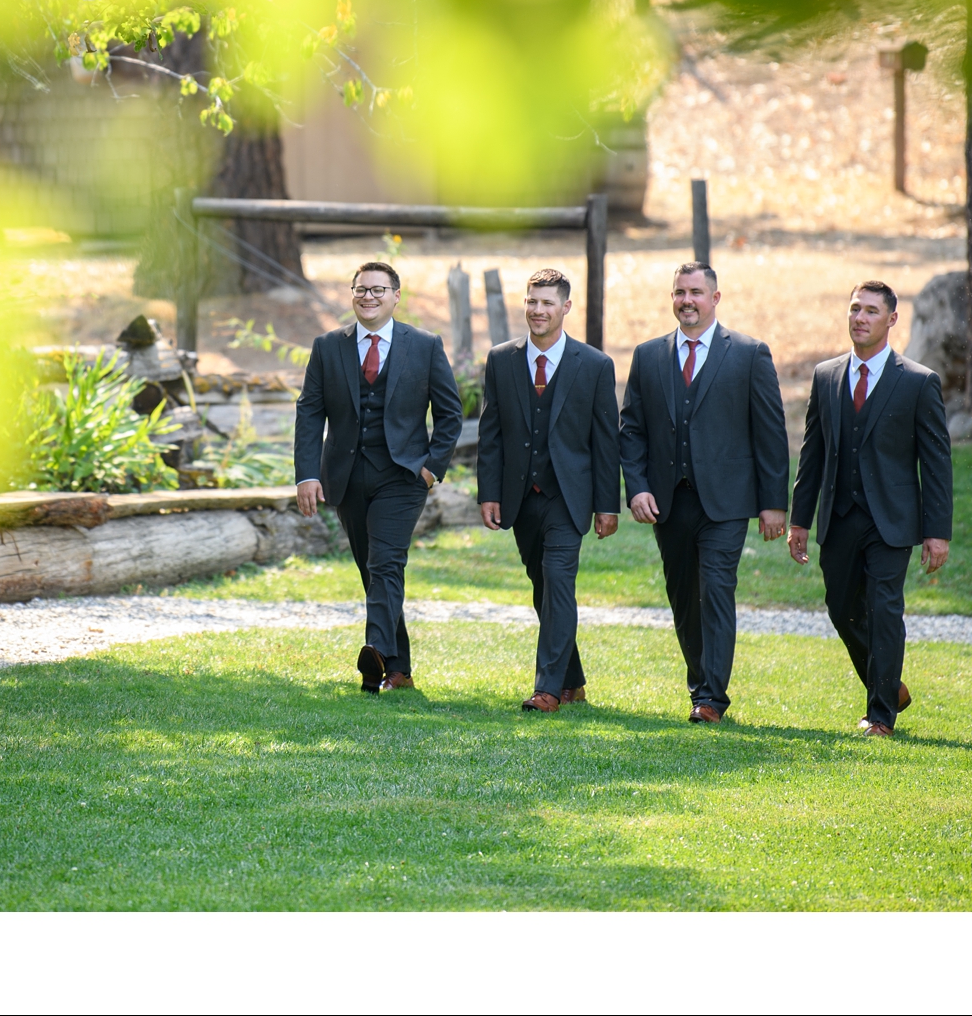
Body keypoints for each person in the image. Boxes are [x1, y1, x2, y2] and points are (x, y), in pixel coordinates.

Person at [619, 262, 788, 723]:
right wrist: (636, 489)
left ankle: (712, 698)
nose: (686, 300)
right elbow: (631, 430)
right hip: (668, 502)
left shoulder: (750, 354)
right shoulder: (648, 355)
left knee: (715, 589)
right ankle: (701, 685)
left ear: (716, 298)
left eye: (696, 292)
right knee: (682, 595)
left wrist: (773, 503)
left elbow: (770, 433)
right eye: (679, 292)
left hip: (727, 501)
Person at [788, 281, 953, 737]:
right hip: (839, 517)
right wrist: (800, 519)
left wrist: (937, 531)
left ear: (892, 320)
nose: (860, 318)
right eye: (855, 308)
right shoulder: (826, 376)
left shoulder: (918, 382)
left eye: (872, 311)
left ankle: (880, 714)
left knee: (884, 609)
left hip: (893, 521)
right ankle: (889, 683)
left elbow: (936, 462)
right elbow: (812, 453)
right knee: (841, 608)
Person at [294, 260, 464, 694]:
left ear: (395, 296)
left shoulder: (424, 345)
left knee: (386, 562)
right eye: (360, 290)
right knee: (374, 572)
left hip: (403, 476)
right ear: (352, 295)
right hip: (347, 477)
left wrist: (430, 468)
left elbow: (449, 414)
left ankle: (373, 656)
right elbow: (310, 412)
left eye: (378, 290)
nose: (368, 297)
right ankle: (399, 668)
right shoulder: (328, 346)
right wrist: (306, 475)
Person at [476, 269, 621, 713]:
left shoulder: (594, 365)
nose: (539, 310)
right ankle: (572, 679)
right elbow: (492, 432)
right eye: (532, 301)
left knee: (558, 581)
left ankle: (547, 689)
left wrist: (606, 505)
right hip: (521, 495)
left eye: (548, 303)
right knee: (542, 587)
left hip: (568, 496)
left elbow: (605, 440)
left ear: (566, 308)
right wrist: (489, 492)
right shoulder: (501, 359)